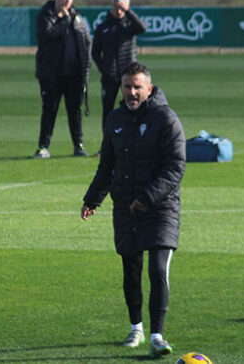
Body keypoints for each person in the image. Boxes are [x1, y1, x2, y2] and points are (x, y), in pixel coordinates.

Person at [80, 62, 185, 358]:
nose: (132, 92)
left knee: (157, 269)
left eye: (137, 87)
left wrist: (149, 197)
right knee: (131, 270)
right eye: (127, 86)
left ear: (149, 88)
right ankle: (136, 327)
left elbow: (175, 168)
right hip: (126, 207)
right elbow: (107, 166)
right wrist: (92, 199)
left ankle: (157, 335)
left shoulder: (166, 119)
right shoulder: (115, 119)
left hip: (161, 207)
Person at [33, 0, 92, 159]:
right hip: (52, 74)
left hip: (74, 74)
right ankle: (43, 146)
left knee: (75, 111)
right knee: (49, 110)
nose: (67, 1)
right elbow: (46, 35)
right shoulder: (46, 15)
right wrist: (65, 22)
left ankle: (78, 145)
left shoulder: (77, 17)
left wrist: (86, 66)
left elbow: (87, 41)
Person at [91, 0, 146, 154]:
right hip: (109, 77)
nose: (118, 9)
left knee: (132, 109)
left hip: (128, 78)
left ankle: (133, 144)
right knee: (108, 112)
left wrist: (127, 11)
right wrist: (104, 69)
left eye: (121, 5)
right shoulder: (103, 27)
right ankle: (107, 147)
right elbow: (95, 52)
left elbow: (142, 27)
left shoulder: (130, 26)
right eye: (116, 5)